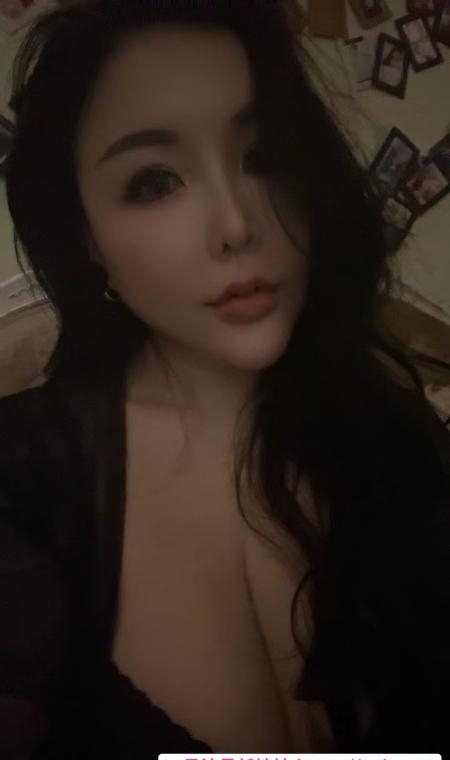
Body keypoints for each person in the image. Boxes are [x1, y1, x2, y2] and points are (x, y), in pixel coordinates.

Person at [1, 0, 450, 757]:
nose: (237, 224)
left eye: (264, 155)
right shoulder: (20, 485)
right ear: (87, 240)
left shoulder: (397, 434)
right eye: (154, 182)